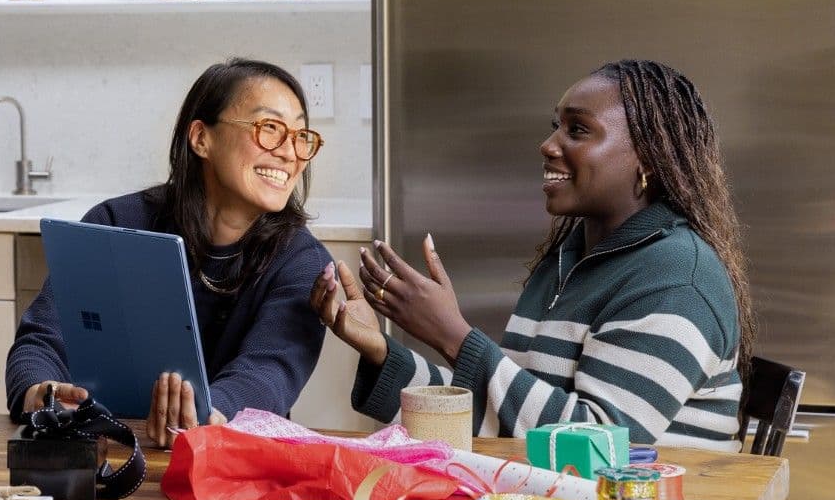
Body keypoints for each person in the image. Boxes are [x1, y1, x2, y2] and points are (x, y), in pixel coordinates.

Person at [0, 58, 333, 500]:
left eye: (301, 137)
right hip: (87, 471)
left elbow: (269, 377)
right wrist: (43, 394)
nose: (289, 152)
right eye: (269, 128)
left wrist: (203, 414)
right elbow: (42, 339)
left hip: (210, 489)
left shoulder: (301, 261)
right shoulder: (118, 223)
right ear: (201, 136)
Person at [313, 59, 753, 452]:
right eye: (555, 126)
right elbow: (511, 416)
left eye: (577, 129)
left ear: (649, 159)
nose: (548, 144)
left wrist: (453, 336)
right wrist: (380, 353)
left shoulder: (676, 277)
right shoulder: (571, 259)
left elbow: (601, 449)